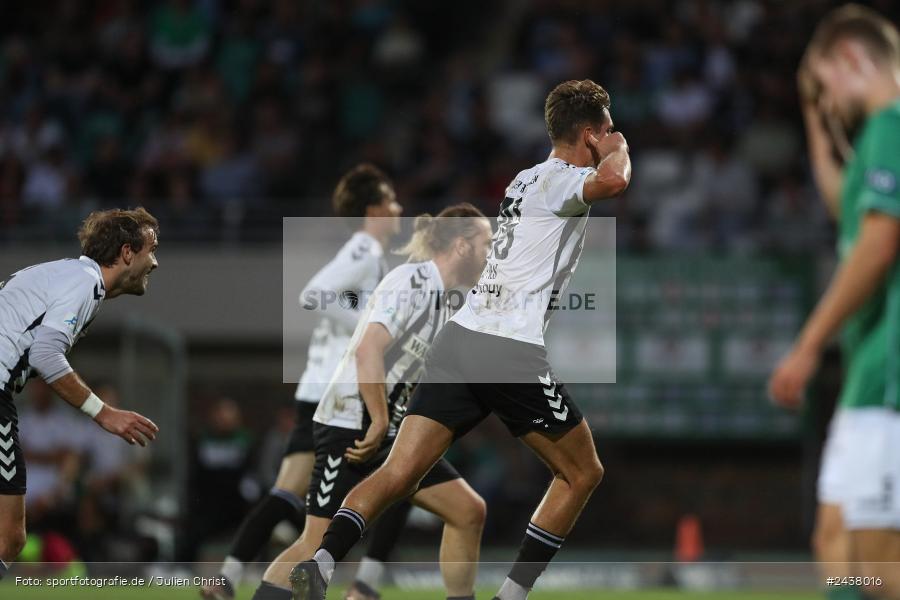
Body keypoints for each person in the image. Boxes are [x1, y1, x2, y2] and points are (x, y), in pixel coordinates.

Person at [284, 78, 631, 600]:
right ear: (588, 134)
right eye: (605, 128)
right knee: (582, 473)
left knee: (400, 472)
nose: (612, 135)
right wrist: (620, 149)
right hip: (508, 349)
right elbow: (614, 183)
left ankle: (325, 560)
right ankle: (511, 597)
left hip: (460, 337)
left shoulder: (524, 178)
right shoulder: (562, 180)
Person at [250, 204, 493, 600]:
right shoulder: (411, 282)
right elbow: (368, 350)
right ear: (463, 245)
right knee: (314, 542)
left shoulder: (447, 300)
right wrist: (379, 419)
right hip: (349, 424)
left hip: (393, 435)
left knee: (468, 511)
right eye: (487, 243)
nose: (491, 252)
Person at [203, 164, 412, 600]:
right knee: (401, 477)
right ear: (373, 209)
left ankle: (225, 577)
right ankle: (363, 586)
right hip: (337, 399)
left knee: (289, 493)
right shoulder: (365, 249)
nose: (399, 208)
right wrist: (369, 328)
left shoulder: (367, 256)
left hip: (316, 392)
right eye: (391, 201)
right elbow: (313, 293)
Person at [769, 5, 900, 600]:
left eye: (826, 87)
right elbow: (846, 205)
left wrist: (807, 345)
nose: (827, 102)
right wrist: (816, 123)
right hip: (868, 374)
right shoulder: (876, 140)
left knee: (877, 565)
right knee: (835, 543)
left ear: (851, 59)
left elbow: (875, 244)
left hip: (889, 371)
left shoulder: (891, 127)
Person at [0, 207, 161, 580]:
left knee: (8, 536)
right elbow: (44, 354)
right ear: (126, 252)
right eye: (152, 249)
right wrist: (103, 412)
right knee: (8, 536)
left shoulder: (64, 275)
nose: (155, 262)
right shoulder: (84, 283)